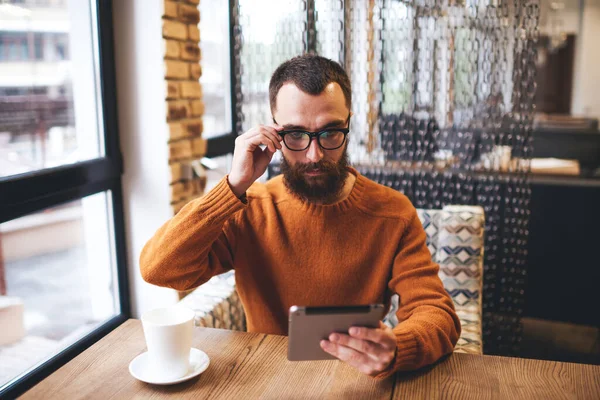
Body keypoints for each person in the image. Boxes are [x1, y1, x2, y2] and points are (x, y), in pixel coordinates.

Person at [140, 54, 460, 378]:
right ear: (273, 130)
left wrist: (397, 347)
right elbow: (159, 269)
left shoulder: (393, 213)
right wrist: (232, 186)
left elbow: (436, 312)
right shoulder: (250, 208)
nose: (314, 155)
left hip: (358, 381)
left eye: (331, 132)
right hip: (264, 381)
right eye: (295, 135)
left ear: (349, 122)